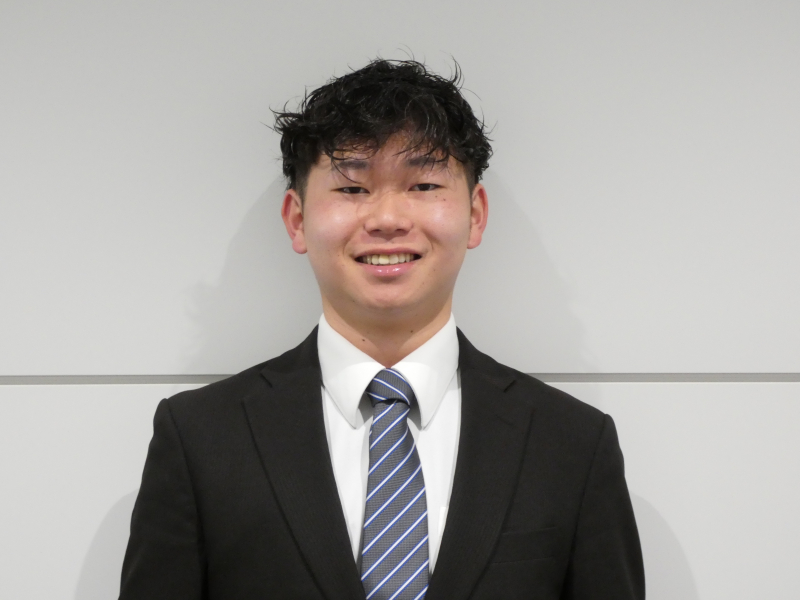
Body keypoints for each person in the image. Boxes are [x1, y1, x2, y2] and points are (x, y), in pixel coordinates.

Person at [120, 59, 644, 600]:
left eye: (423, 184)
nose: (388, 219)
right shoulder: (200, 438)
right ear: (297, 219)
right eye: (352, 189)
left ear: (475, 215)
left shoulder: (573, 444)